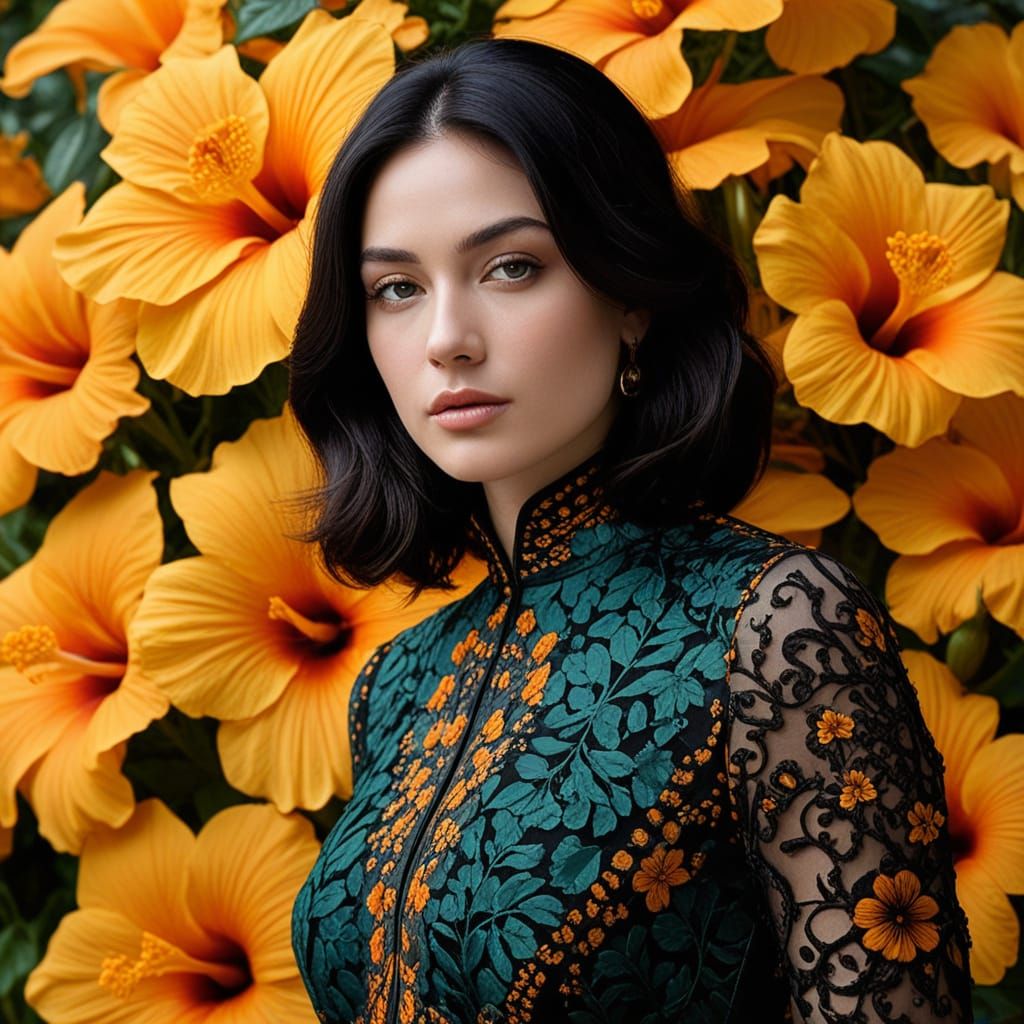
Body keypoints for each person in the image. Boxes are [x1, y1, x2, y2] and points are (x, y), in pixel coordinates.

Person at [287, 37, 973, 1024]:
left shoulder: (773, 625)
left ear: (632, 301)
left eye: (511, 266)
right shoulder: (397, 686)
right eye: (396, 287)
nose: (445, 337)